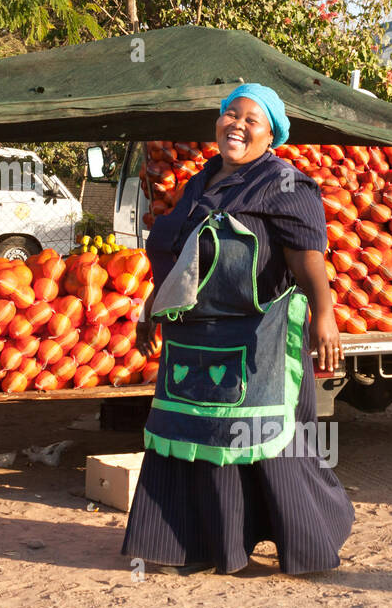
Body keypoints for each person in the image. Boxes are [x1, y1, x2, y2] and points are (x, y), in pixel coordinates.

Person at [121, 83, 354, 576]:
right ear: (217, 123)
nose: (238, 125)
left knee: (272, 441)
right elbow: (182, 258)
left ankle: (308, 543)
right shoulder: (198, 183)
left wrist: (325, 314)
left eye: (252, 120)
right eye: (231, 115)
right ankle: (196, 544)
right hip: (196, 335)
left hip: (260, 336)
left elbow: (307, 255)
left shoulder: (285, 183)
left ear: (271, 134)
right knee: (194, 433)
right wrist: (151, 307)